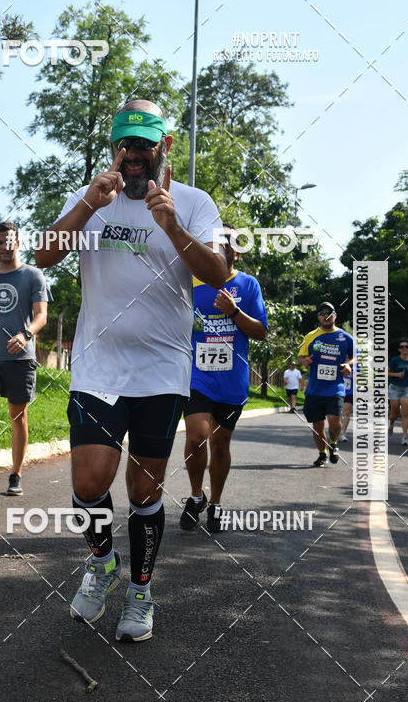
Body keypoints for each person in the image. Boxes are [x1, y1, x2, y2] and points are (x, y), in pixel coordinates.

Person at [36, 99, 226, 642]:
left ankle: (141, 592)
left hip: (162, 371)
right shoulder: (92, 196)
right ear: (113, 146)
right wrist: (86, 206)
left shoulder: (193, 202)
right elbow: (44, 256)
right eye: (125, 144)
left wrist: (173, 227)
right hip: (98, 368)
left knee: (144, 492)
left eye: (144, 144)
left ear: (165, 145)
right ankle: (102, 563)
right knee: (88, 482)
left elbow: (217, 273)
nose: (134, 154)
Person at [180, 228, 267, 534]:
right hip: (197, 375)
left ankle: (215, 503)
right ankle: (196, 496)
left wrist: (234, 311)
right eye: (215, 241)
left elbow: (261, 332)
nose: (220, 245)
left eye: (226, 242)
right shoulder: (191, 283)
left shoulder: (248, 284)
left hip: (232, 380)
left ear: (236, 252)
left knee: (220, 444)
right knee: (196, 436)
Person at [0, 221, 51, 497]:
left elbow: (42, 316)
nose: (5, 247)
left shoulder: (33, 276)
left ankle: (16, 474)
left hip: (20, 359)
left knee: (18, 416)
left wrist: (26, 334)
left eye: (9, 241)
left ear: (18, 242)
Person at [298, 302, 355, 467]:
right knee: (318, 425)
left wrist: (349, 365)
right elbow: (300, 356)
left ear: (335, 315)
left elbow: (355, 356)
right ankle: (322, 453)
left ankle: (334, 444)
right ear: (318, 317)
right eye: (322, 313)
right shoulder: (310, 336)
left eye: (329, 312)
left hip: (335, 388)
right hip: (315, 389)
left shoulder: (345, 337)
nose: (326, 315)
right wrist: (304, 361)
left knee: (334, 418)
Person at [388, 338, 408, 447]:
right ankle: (391, 423)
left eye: (406, 346)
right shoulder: (395, 360)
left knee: (405, 413)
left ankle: (405, 437)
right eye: (402, 347)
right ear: (399, 349)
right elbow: (386, 372)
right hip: (395, 388)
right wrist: (397, 375)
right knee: (394, 413)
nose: (405, 348)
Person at [340, 370, 354, 442]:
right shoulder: (338, 363)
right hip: (336, 390)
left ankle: (342, 433)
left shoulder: (357, 366)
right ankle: (337, 429)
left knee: (346, 412)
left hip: (350, 392)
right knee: (336, 413)